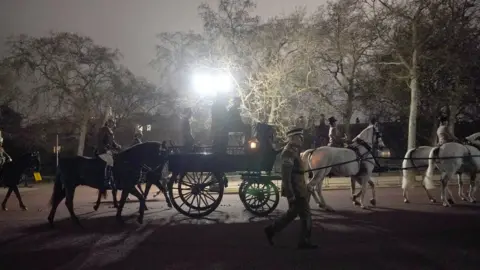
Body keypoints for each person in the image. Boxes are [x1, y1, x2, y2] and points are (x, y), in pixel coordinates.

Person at [264, 127, 317, 249]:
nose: (301, 139)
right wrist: (290, 194)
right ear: (292, 138)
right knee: (306, 215)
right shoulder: (288, 152)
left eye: (301, 137)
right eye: (299, 137)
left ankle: (271, 230)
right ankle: (304, 242)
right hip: (296, 190)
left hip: (299, 188)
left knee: (292, 214)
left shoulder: (294, 150)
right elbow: (286, 176)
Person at [96, 118, 121, 185]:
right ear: (108, 123)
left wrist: (117, 146)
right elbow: (101, 141)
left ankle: (113, 176)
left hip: (108, 150)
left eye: (113, 123)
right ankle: (106, 179)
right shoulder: (104, 129)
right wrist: (106, 150)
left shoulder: (110, 131)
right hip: (102, 151)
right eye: (112, 123)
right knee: (110, 161)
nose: (113, 124)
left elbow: (112, 142)